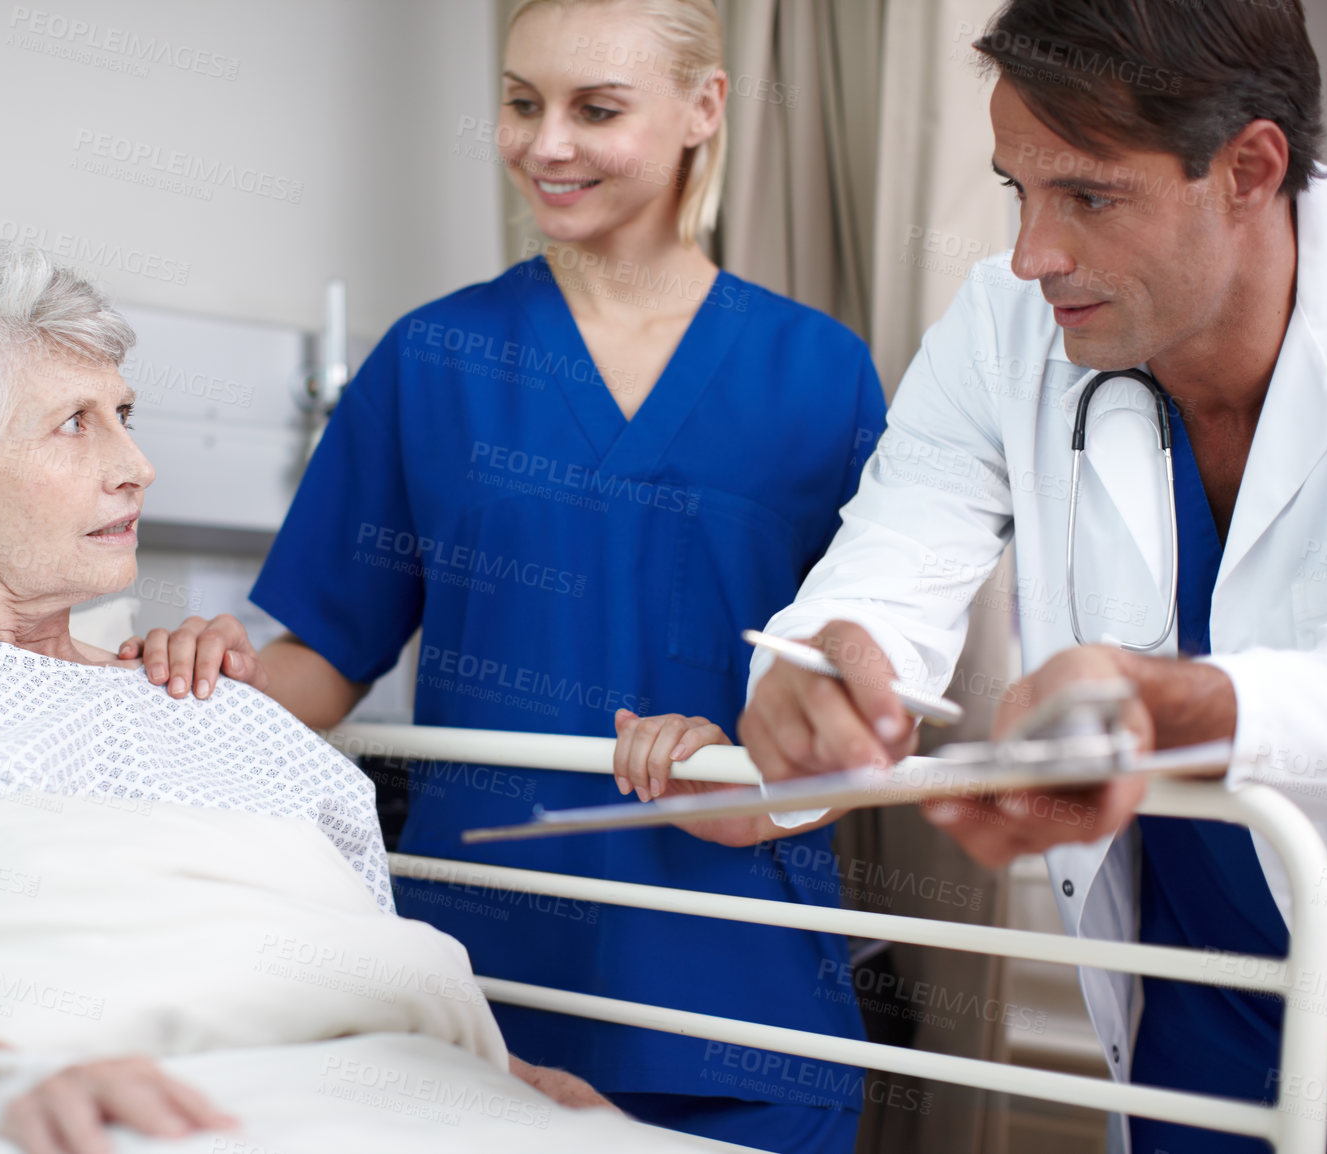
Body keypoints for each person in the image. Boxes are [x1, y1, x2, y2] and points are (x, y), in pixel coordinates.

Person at [0, 229, 608, 1154]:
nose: (137, 465)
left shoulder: (223, 705)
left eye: (122, 416)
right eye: (72, 425)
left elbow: (362, 975)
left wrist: (520, 1080)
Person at [149, 1, 884, 1148]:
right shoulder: (430, 360)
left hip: (734, 991)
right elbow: (328, 660)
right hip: (480, 987)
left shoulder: (822, 377)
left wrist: (745, 754)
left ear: (704, 108)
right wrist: (178, 680)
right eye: (520, 101)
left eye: (596, 109)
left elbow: (872, 701)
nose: (546, 144)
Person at [719, 1, 1327, 1150]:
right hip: (1199, 1013)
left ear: (1249, 168)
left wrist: (1190, 704)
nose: (1029, 255)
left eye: (1088, 197)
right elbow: (896, 549)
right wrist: (832, 664)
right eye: (1017, 190)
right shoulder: (1010, 326)